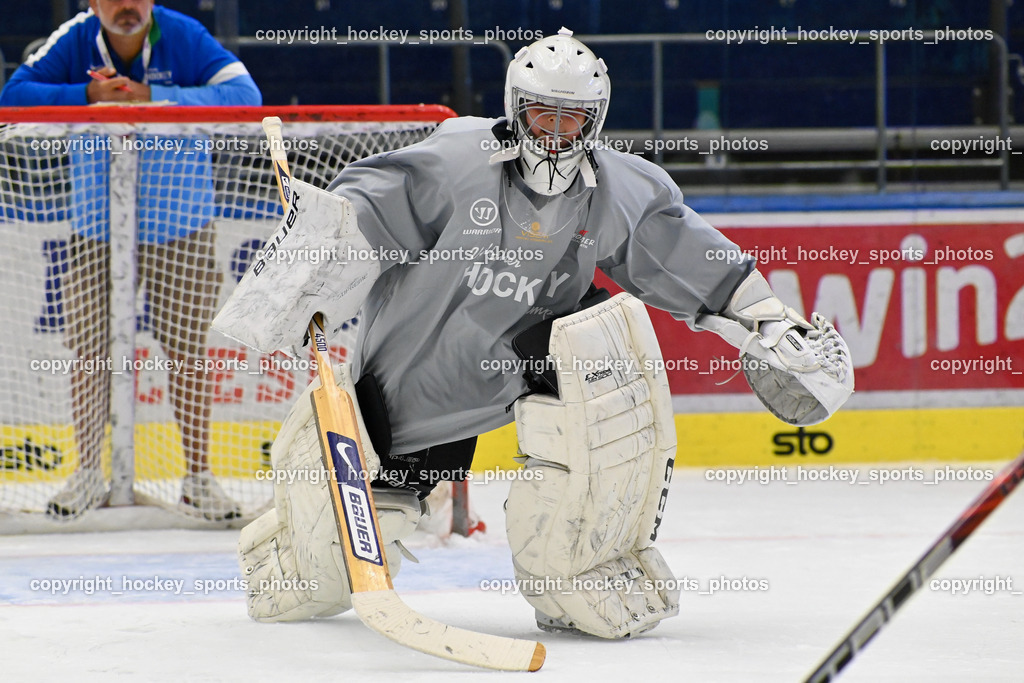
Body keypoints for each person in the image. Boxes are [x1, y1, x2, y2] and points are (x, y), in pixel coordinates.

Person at [217, 29, 853, 635]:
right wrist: (318, 250)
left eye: (570, 118)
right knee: (332, 567)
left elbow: (683, 253)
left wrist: (769, 322)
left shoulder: (616, 189)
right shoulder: (457, 159)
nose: (554, 133)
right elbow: (372, 202)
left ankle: (576, 571)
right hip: (419, 382)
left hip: (532, 358)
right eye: (541, 114)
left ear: (595, 121)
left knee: (607, 348)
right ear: (515, 110)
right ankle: (296, 548)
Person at [0, 0, 262, 520]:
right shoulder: (74, 39)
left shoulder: (185, 35)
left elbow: (245, 97)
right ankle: (86, 478)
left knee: (188, 352)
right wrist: (88, 94)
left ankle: (198, 479)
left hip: (180, 225)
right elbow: (14, 96)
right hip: (94, 228)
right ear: (92, 3)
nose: (127, 6)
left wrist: (153, 98)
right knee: (89, 355)